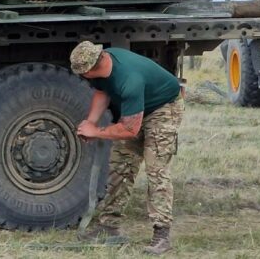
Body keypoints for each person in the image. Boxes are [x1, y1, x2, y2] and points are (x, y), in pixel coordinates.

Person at [71, 40, 184, 256]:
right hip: (137, 108)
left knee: (156, 170)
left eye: (83, 73)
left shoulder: (129, 79)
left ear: (92, 68)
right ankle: (109, 226)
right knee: (120, 165)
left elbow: (130, 130)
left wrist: (97, 133)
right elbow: (102, 93)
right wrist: (91, 123)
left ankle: (162, 235)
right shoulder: (103, 64)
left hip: (164, 108)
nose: (82, 77)